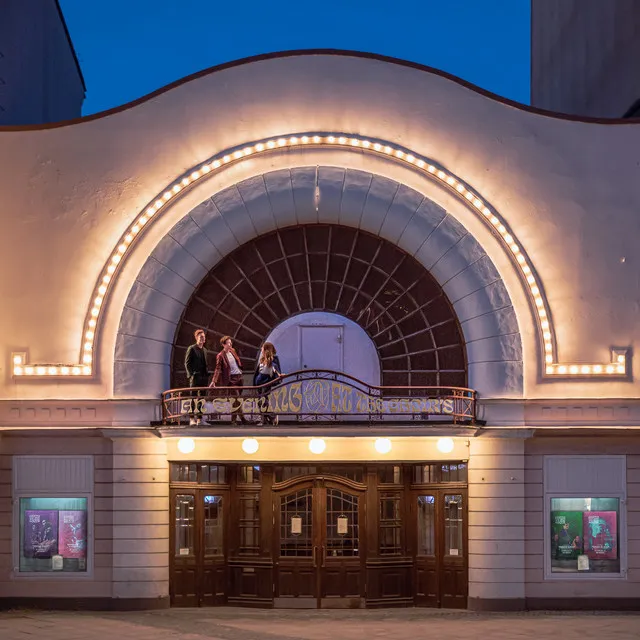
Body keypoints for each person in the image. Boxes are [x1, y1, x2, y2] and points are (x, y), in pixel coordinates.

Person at [211, 336, 251, 424]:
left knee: (236, 401)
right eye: (228, 343)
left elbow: (237, 361)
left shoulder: (233, 351)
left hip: (239, 378)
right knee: (237, 398)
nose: (230, 344)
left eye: (230, 342)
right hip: (231, 379)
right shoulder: (220, 355)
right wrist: (214, 381)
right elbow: (217, 368)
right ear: (223, 345)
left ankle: (233, 421)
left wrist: (240, 369)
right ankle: (243, 419)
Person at [253, 342, 283, 425]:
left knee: (264, 401)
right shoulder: (262, 359)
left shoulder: (274, 359)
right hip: (258, 383)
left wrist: (278, 375)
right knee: (260, 402)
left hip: (266, 383)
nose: (261, 349)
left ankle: (271, 417)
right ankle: (265, 420)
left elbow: (276, 369)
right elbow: (258, 371)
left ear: (266, 349)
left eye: (262, 348)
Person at [184, 328, 210, 426]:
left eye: (204, 337)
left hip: (204, 377)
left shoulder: (205, 350)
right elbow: (187, 363)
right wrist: (191, 375)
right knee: (193, 398)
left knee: (202, 399)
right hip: (195, 377)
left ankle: (199, 419)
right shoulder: (192, 348)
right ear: (196, 338)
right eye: (201, 337)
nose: (203, 338)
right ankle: (191, 419)